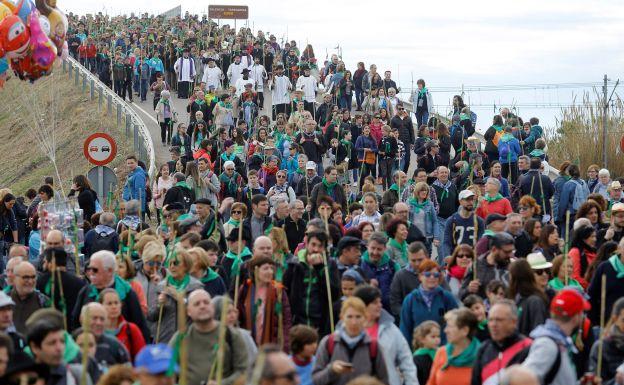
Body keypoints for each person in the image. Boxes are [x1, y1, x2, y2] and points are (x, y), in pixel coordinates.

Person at [168, 290, 248, 385]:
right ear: (188, 311)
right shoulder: (180, 338)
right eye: (197, 304)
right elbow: (169, 370)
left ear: (213, 307)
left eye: (206, 302)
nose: (202, 306)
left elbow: (243, 373)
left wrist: (221, 383)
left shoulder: (231, 335)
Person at [71, 251, 149, 340]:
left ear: (110, 271)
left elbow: (139, 325)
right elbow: (75, 322)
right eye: (89, 269)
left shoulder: (127, 293)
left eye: (95, 270)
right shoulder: (86, 291)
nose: (91, 273)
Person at [312, 297, 389, 385]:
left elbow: (384, 380)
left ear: (365, 317)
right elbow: (316, 380)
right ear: (342, 317)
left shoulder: (373, 346)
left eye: (358, 317)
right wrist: (332, 370)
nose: (354, 322)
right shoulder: (328, 343)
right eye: (349, 317)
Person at [521, 288, 588, 385]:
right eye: (582, 312)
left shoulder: (559, 341)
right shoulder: (548, 345)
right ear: (576, 317)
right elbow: (523, 380)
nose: (583, 316)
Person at [354, 285, 417, 385]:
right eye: (375, 303)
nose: (380, 305)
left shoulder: (390, 329)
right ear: (362, 306)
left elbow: (407, 362)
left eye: (380, 301)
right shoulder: (347, 330)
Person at [283, 231, 339, 337]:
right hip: (298, 324)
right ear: (307, 245)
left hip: (320, 324)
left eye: (320, 246)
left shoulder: (330, 265)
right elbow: (285, 290)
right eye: (313, 245)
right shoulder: (295, 264)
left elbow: (334, 293)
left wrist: (319, 268)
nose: (316, 249)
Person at [149, 246, 203, 344]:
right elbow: (151, 316)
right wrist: (159, 305)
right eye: (170, 263)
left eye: (176, 263)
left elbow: (200, 314)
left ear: (186, 265)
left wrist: (180, 298)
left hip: (187, 341)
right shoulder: (162, 286)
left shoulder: (195, 286)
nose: (172, 266)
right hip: (165, 340)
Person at [237, 256, 292, 351]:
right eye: (266, 268)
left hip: (271, 345)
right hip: (249, 345)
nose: (270, 272)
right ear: (255, 270)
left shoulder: (278, 291)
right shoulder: (245, 289)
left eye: (272, 268)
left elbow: (286, 320)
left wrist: (285, 345)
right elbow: (239, 315)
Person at [400, 259, 458, 343]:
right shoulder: (410, 300)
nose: (432, 277)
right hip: (419, 352)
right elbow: (405, 330)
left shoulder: (447, 298)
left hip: (443, 352)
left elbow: (456, 325)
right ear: (420, 276)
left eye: (436, 274)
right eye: (427, 274)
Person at [427, 308, 480, 385]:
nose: (445, 330)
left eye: (450, 326)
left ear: (465, 330)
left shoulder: (481, 356)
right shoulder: (441, 352)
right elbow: (431, 383)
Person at [36, 248, 86, 325]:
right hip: (72, 325)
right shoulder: (78, 282)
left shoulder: (41, 281)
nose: (43, 265)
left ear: (51, 263)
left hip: (49, 325)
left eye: (45, 262)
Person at [460, 232, 514, 299]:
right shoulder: (476, 265)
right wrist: (469, 289)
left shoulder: (514, 266)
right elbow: (461, 294)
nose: (510, 255)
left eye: (512, 251)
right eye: (506, 252)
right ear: (494, 249)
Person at [77, 302, 130, 368]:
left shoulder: (114, 345)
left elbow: (128, 372)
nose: (99, 323)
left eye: (102, 319)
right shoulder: (72, 342)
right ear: (82, 319)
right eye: (94, 318)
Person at [99, 288, 146, 361]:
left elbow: (142, 359)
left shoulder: (131, 329)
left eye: (116, 303)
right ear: (100, 306)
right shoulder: (95, 331)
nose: (114, 307)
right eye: (109, 303)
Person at [508, 259, 549, 336]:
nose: (509, 280)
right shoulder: (518, 299)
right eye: (539, 272)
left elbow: (538, 332)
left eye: (510, 276)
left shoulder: (535, 301)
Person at [588, 238, 624, 326]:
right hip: (607, 323)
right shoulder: (605, 267)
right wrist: (594, 323)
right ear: (619, 249)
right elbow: (592, 295)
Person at [360, 232, 398, 312]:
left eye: (379, 249)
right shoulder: (359, 265)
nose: (375, 252)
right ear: (367, 247)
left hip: (388, 312)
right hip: (365, 312)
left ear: (385, 249)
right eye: (373, 248)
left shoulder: (393, 266)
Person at [443, 190, 485, 264]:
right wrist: (447, 255)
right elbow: (447, 241)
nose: (471, 202)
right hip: (456, 257)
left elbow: (480, 241)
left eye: (472, 199)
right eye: (467, 200)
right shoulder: (451, 220)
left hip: (472, 258)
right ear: (460, 201)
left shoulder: (479, 221)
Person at [389, 241, 428, 319]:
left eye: (420, 260)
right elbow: (394, 303)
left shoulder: (435, 273)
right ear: (408, 258)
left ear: (426, 257)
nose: (417, 263)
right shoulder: (400, 276)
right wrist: (407, 314)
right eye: (413, 260)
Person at [10, 261, 47, 334]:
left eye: (33, 277)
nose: (30, 281)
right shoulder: (4, 301)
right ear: (14, 278)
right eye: (26, 277)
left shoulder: (43, 302)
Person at [408, 182, 439, 254]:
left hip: (427, 237)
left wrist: (436, 237)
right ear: (417, 192)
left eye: (426, 190)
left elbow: (435, 221)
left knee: (426, 262)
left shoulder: (430, 204)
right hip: (413, 238)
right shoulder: (409, 203)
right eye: (422, 190)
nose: (424, 192)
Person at [412, 321, 441, 385]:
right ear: (422, 339)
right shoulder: (417, 358)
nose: (437, 339)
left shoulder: (441, 354)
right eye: (433, 337)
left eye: (438, 336)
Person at [568, 224, 597, 289]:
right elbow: (575, 277)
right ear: (583, 238)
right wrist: (592, 287)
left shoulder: (593, 251)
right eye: (592, 237)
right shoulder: (575, 252)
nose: (595, 239)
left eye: (595, 236)